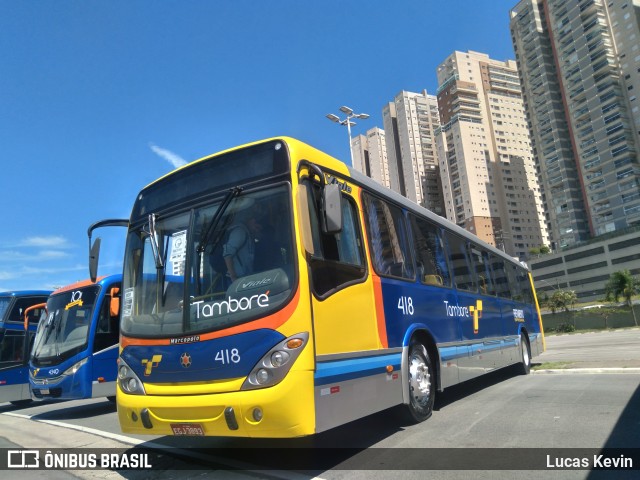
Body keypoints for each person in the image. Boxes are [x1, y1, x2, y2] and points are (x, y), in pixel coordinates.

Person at [222, 213, 262, 282]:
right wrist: (233, 277)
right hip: (236, 279)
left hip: (246, 277)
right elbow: (227, 255)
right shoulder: (240, 232)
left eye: (258, 227)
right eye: (255, 224)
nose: (256, 228)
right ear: (249, 220)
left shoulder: (249, 234)